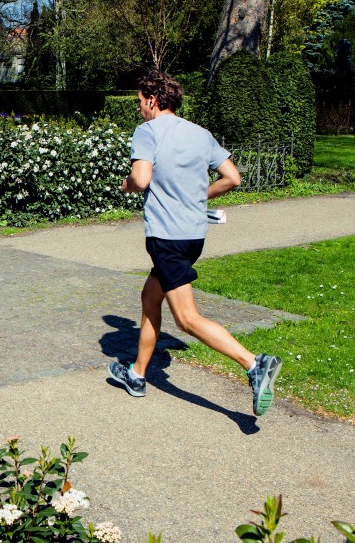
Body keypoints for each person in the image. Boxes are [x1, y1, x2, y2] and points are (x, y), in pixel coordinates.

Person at [109, 69, 282, 417]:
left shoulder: (147, 131)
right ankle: (137, 374)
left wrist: (127, 184)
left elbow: (141, 179)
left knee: (186, 319)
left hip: (167, 237)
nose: (139, 108)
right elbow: (232, 178)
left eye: (140, 101)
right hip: (193, 235)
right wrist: (198, 196)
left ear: (153, 100)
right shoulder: (200, 134)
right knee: (150, 298)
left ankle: (254, 364)